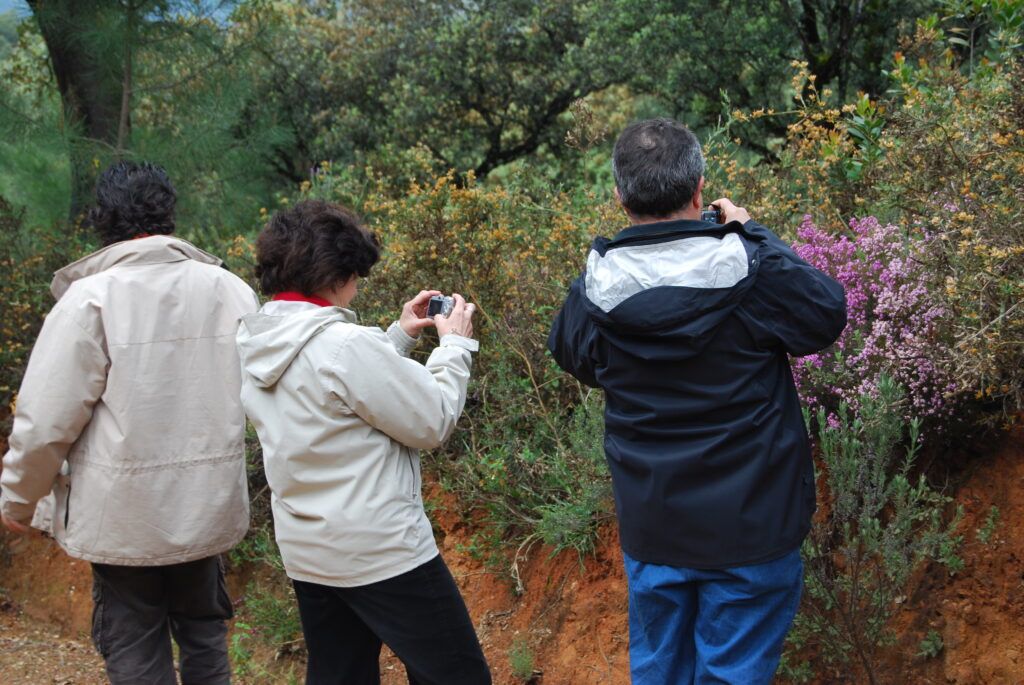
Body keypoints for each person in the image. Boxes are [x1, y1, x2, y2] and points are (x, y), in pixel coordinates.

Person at [548, 118, 847, 684]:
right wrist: (751, 232)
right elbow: (825, 314)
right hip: (753, 528)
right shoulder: (751, 271)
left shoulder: (597, 290)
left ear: (620, 196)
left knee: (660, 672)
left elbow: (572, 353)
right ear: (700, 190)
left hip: (654, 525)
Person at [0, 161, 259, 684]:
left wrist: (18, 498)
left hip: (123, 518)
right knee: (206, 637)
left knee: (135, 644)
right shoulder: (230, 290)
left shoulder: (88, 300)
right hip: (207, 508)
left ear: (103, 220)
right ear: (168, 213)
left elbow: (47, 420)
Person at [236, 199, 491, 685]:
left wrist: (396, 337)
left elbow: (327, 395)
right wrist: (455, 344)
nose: (356, 285)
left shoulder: (257, 339)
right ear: (335, 276)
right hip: (381, 550)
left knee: (341, 675)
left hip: (310, 551)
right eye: (355, 274)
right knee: (458, 675)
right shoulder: (344, 346)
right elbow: (432, 420)